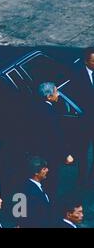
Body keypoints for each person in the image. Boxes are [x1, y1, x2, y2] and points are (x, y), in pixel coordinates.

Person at [33, 82, 73, 196]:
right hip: (49, 154)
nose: (58, 94)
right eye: (56, 92)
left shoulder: (36, 107)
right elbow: (56, 135)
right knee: (50, 182)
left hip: (37, 152)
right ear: (48, 97)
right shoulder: (50, 112)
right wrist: (66, 154)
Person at [69, 47, 94, 187]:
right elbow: (75, 98)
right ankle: (81, 178)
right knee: (82, 152)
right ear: (86, 62)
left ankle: (92, 179)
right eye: (93, 61)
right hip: (84, 121)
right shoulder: (77, 75)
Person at [18, 156, 53, 228]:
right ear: (36, 173)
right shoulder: (27, 189)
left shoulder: (39, 187)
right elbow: (19, 214)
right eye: (44, 169)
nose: (47, 170)